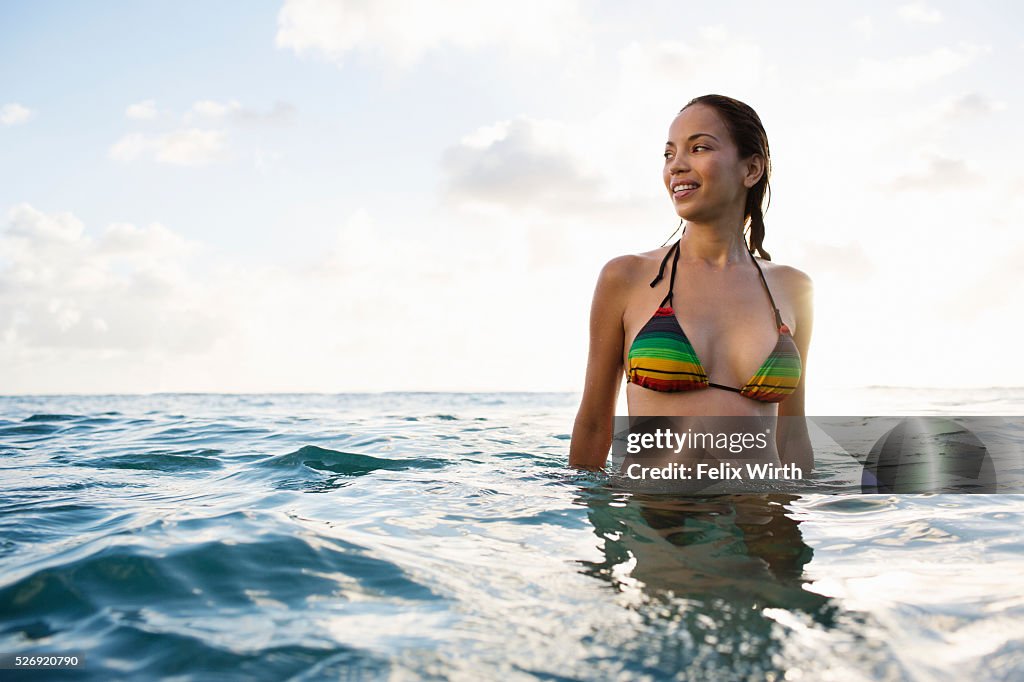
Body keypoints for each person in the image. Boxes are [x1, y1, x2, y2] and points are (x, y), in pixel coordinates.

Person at [569, 94, 814, 473]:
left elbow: (792, 436)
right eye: (669, 155)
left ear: (751, 169)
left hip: (760, 522)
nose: (677, 166)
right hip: (658, 524)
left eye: (698, 148)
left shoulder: (794, 288)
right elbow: (594, 423)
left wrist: (797, 521)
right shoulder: (626, 278)